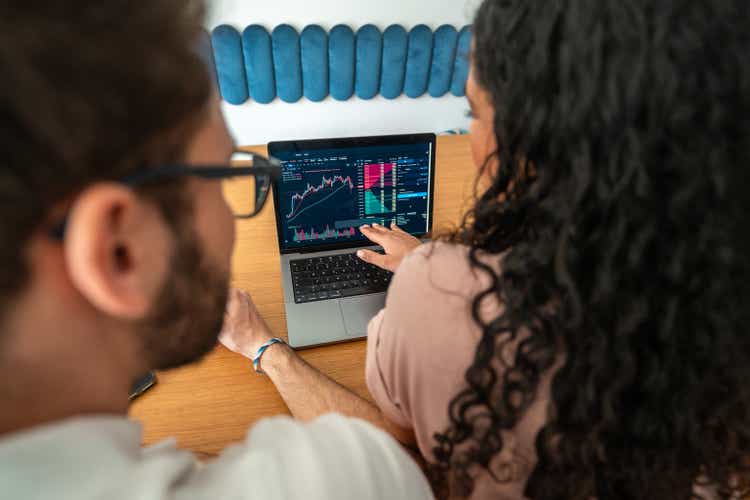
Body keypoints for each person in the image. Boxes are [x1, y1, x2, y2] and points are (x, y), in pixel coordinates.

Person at [219, 0, 750, 498]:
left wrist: (264, 346)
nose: (470, 136)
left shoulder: (444, 293)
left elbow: (398, 453)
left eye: (473, 113)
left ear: (534, 142)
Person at [0, 2, 434, 499]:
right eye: (227, 175)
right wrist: (265, 349)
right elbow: (410, 472)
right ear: (117, 251)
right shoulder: (347, 479)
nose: (232, 217)